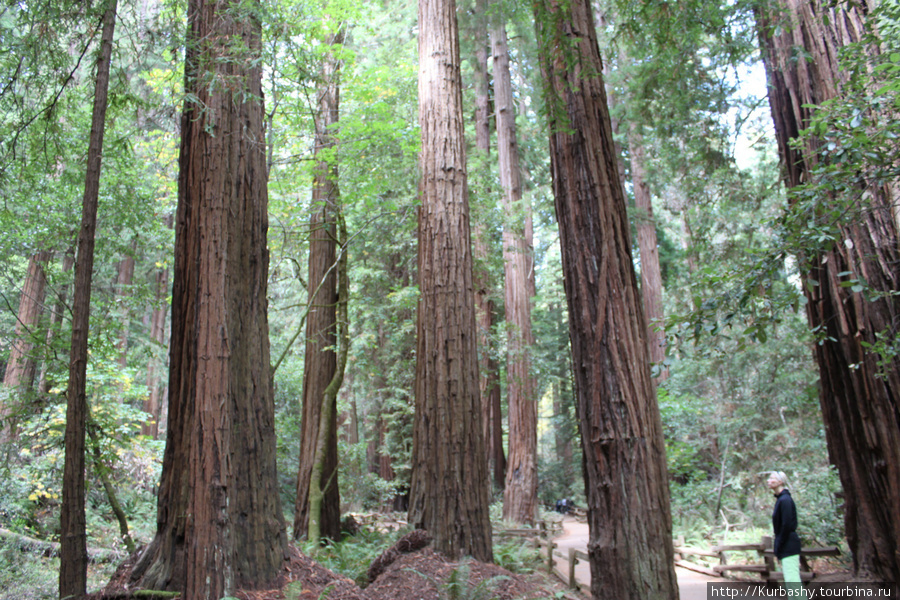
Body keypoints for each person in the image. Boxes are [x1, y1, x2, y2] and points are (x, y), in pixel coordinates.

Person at [767, 471, 805, 598]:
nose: (768, 480)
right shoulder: (781, 499)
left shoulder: (785, 500)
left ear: (780, 482)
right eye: (769, 478)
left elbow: (787, 525)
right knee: (790, 584)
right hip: (785, 545)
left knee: (793, 583)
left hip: (789, 546)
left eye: (772, 478)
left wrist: (779, 544)